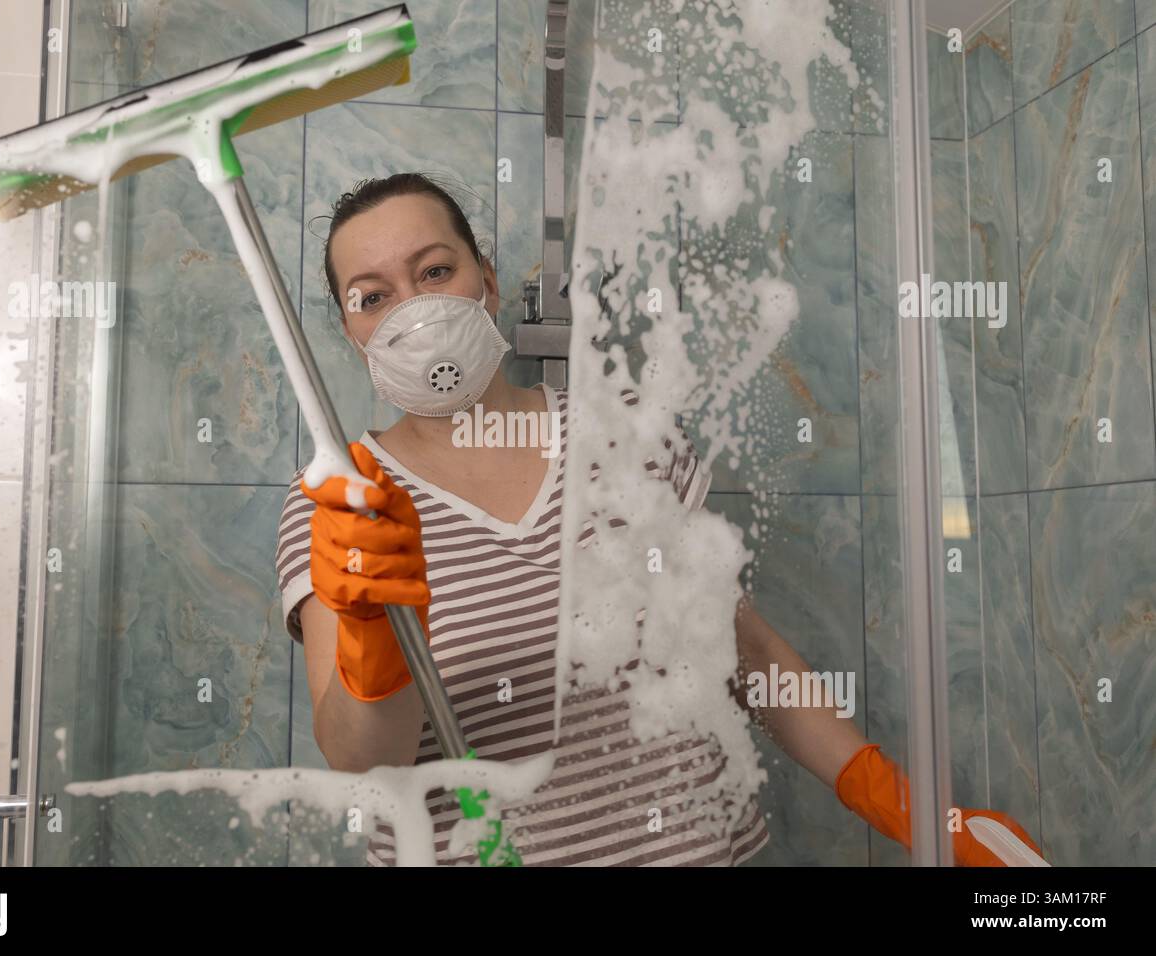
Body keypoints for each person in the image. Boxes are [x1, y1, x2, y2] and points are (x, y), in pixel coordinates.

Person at [274, 172, 1042, 867]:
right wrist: (372, 633)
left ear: (488, 283)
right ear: (351, 333)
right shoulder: (339, 501)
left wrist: (895, 800)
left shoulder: (629, 435)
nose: (415, 312)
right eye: (372, 295)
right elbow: (363, 762)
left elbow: (740, 649)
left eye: (435, 271)